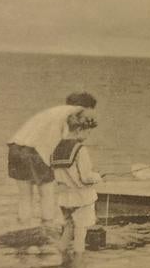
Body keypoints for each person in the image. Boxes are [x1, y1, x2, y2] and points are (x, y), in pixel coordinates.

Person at [7, 92, 97, 227]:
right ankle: (47, 229)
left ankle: (23, 229)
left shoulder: (53, 111)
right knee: (47, 194)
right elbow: (68, 144)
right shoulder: (76, 112)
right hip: (34, 151)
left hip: (15, 148)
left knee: (25, 196)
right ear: (86, 107)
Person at [49, 110, 102, 254]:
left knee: (68, 228)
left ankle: (62, 263)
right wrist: (98, 177)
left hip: (64, 197)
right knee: (80, 233)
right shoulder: (80, 149)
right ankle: (79, 267)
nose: (87, 136)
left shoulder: (55, 148)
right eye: (88, 133)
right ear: (79, 129)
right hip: (81, 198)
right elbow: (86, 178)